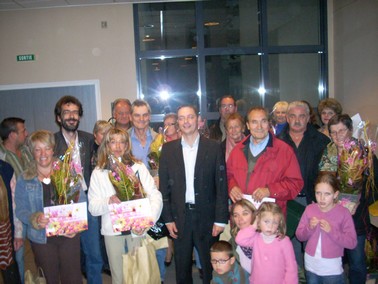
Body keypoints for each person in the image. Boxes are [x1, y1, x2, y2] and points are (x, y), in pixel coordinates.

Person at [159, 104, 229, 283]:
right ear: (177, 123)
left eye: (190, 117)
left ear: (198, 120)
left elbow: (221, 185)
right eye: (181, 118)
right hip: (180, 216)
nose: (186, 121)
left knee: (209, 265)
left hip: (207, 215)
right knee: (181, 267)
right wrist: (168, 218)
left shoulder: (214, 148)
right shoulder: (168, 150)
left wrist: (220, 219)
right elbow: (164, 189)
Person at [88, 127, 162, 284]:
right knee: (119, 277)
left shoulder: (138, 167)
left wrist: (148, 221)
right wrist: (108, 201)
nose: (117, 146)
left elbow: (155, 195)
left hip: (138, 229)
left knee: (141, 275)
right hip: (112, 233)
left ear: (127, 145)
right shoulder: (99, 172)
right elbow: (93, 208)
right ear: (106, 145)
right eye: (112, 142)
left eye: (122, 142)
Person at [15, 130, 85, 284]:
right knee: (48, 278)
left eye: (46, 148)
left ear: (53, 149)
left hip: (69, 235)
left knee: (72, 278)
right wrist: (34, 218)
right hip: (41, 238)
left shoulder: (68, 172)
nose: (43, 153)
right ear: (32, 152)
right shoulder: (25, 178)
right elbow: (20, 209)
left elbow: (81, 200)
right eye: (37, 149)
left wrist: (75, 226)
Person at [319, 113, 378, 284]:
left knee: (357, 262)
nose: (338, 136)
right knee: (334, 261)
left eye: (342, 131)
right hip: (331, 217)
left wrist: (358, 200)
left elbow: (375, 185)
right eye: (333, 132)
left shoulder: (364, 153)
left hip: (356, 218)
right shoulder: (327, 153)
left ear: (351, 130)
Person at [277, 101, 330, 280]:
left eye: (302, 116)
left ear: (308, 118)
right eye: (293, 116)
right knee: (289, 246)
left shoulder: (322, 141)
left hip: (312, 201)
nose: (297, 120)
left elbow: (328, 174)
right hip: (287, 201)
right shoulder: (276, 142)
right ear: (286, 118)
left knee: (312, 245)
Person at [53, 95, 103, 283]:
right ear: (59, 117)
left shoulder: (90, 140)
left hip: (88, 199)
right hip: (65, 203)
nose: (71, 116)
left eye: (75, 112)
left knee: (94, 253)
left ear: (79, 116)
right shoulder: (51, 142)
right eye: (67, 112)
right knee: (69, 256)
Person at [227, 106, 303, 216]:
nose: (259, 127)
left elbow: (295, 183)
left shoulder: (284, 151)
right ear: (248, 125)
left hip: (271, 220)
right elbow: (228, 176)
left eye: (263, 121)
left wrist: (270, 190)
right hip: (242, 219)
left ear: (269, 124)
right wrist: (232, 187)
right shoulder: (237, 150)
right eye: (254, 122)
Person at [296, 173, 357, 283]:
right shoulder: (310, 209)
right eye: (318, 193)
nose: (322, 198)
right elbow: (300, 236)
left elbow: (352, 243)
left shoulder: (343, 213)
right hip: (311, 267)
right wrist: (309, 227)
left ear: (335, 194)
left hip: (332, 271)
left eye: (327, 194)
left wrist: (332, 231)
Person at [0, 117, 33, 282]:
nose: (26, 134)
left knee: (35, 254)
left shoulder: (26, 151)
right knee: (17, 256)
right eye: (23, 131)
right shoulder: (2, 159)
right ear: (12, 135)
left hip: (33, 210)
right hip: (14, 215)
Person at [235, 202, 298, 283]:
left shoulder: (284, 241)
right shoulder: (255, 238)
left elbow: (291, 268)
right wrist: (254, 225)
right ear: (259, 221)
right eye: (266, 221)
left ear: (279, 224)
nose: (270, 226)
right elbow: (239, 240)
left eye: (274, 223)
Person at [91, 120, 112, 275]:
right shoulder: (93, 155)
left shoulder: (112, 153)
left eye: (107, 133)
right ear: (95, 135)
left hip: (111, 202)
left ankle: (108, 262)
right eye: (102, 133)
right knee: (98, 236)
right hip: (97, 199)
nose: (105, 137)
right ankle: (104, 264)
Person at [0, 160, 21, 284]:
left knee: (10, 275)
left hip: (5, 237)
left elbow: (15, 205)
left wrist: (18, 233)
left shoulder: (5, 169)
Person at [229, 199, 256, 275]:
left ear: (254, 215)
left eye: (245, 214)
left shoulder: (264, 238)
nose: (240, 219)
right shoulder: (232, 243)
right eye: (236, 215)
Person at [128, 99, 158, 168]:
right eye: (137, 115)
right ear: (130, 117)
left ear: (149, 117)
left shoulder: (158, 139)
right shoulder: (124, 139)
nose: (141, 119)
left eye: (145, 115)